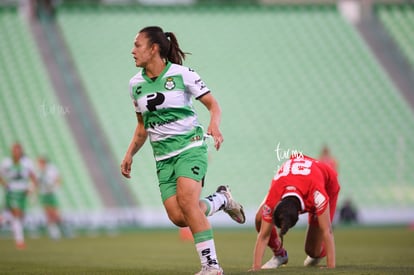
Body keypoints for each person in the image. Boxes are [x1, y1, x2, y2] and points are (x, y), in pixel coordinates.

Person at [120, 26, 245, 275]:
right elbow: (143, 127)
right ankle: (222, 199)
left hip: (190, 147)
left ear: (154, 48)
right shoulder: (135, 85)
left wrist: (214, 125)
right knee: (179, 217)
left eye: (137, 45)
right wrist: (129, 154)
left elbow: (213, 106)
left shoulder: (183, 74)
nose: (132, 51)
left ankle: (211, 266)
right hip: (163, 158)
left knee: (188, 202)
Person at [250, 155, 340, 271]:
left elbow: (327, 230)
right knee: (259, 218)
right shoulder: (275, 194)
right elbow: (263, 236)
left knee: (312, 250)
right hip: (293, 178)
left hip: (327, 183)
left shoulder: (317, 195)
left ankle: (319, 253)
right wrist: (256, 267)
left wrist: (330, 266)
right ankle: (279, 254)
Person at [0, 143, 37, 249]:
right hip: (12, 192)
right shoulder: (6, 163)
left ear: (21, 151)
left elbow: (33, 177)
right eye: (14, 150)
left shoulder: (27, 163)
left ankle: (2, 219)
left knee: (18, 217)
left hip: (22, 193)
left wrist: (32, 189)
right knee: (17, 215)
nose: (16, 152)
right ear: (12, 151)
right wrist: (5, 184)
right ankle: (20, 242)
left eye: (18, 150)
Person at [36, 156, 67, 239]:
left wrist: (54, 187)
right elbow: (37, 183)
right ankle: (54, 232)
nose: (39, 164)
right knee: (48, 214)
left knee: (54, 214)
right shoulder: (39, 172)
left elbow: (58, 179)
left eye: (40, 162)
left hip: (51, 194)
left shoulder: (51, 170)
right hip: (44, 194)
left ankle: (64, 228)